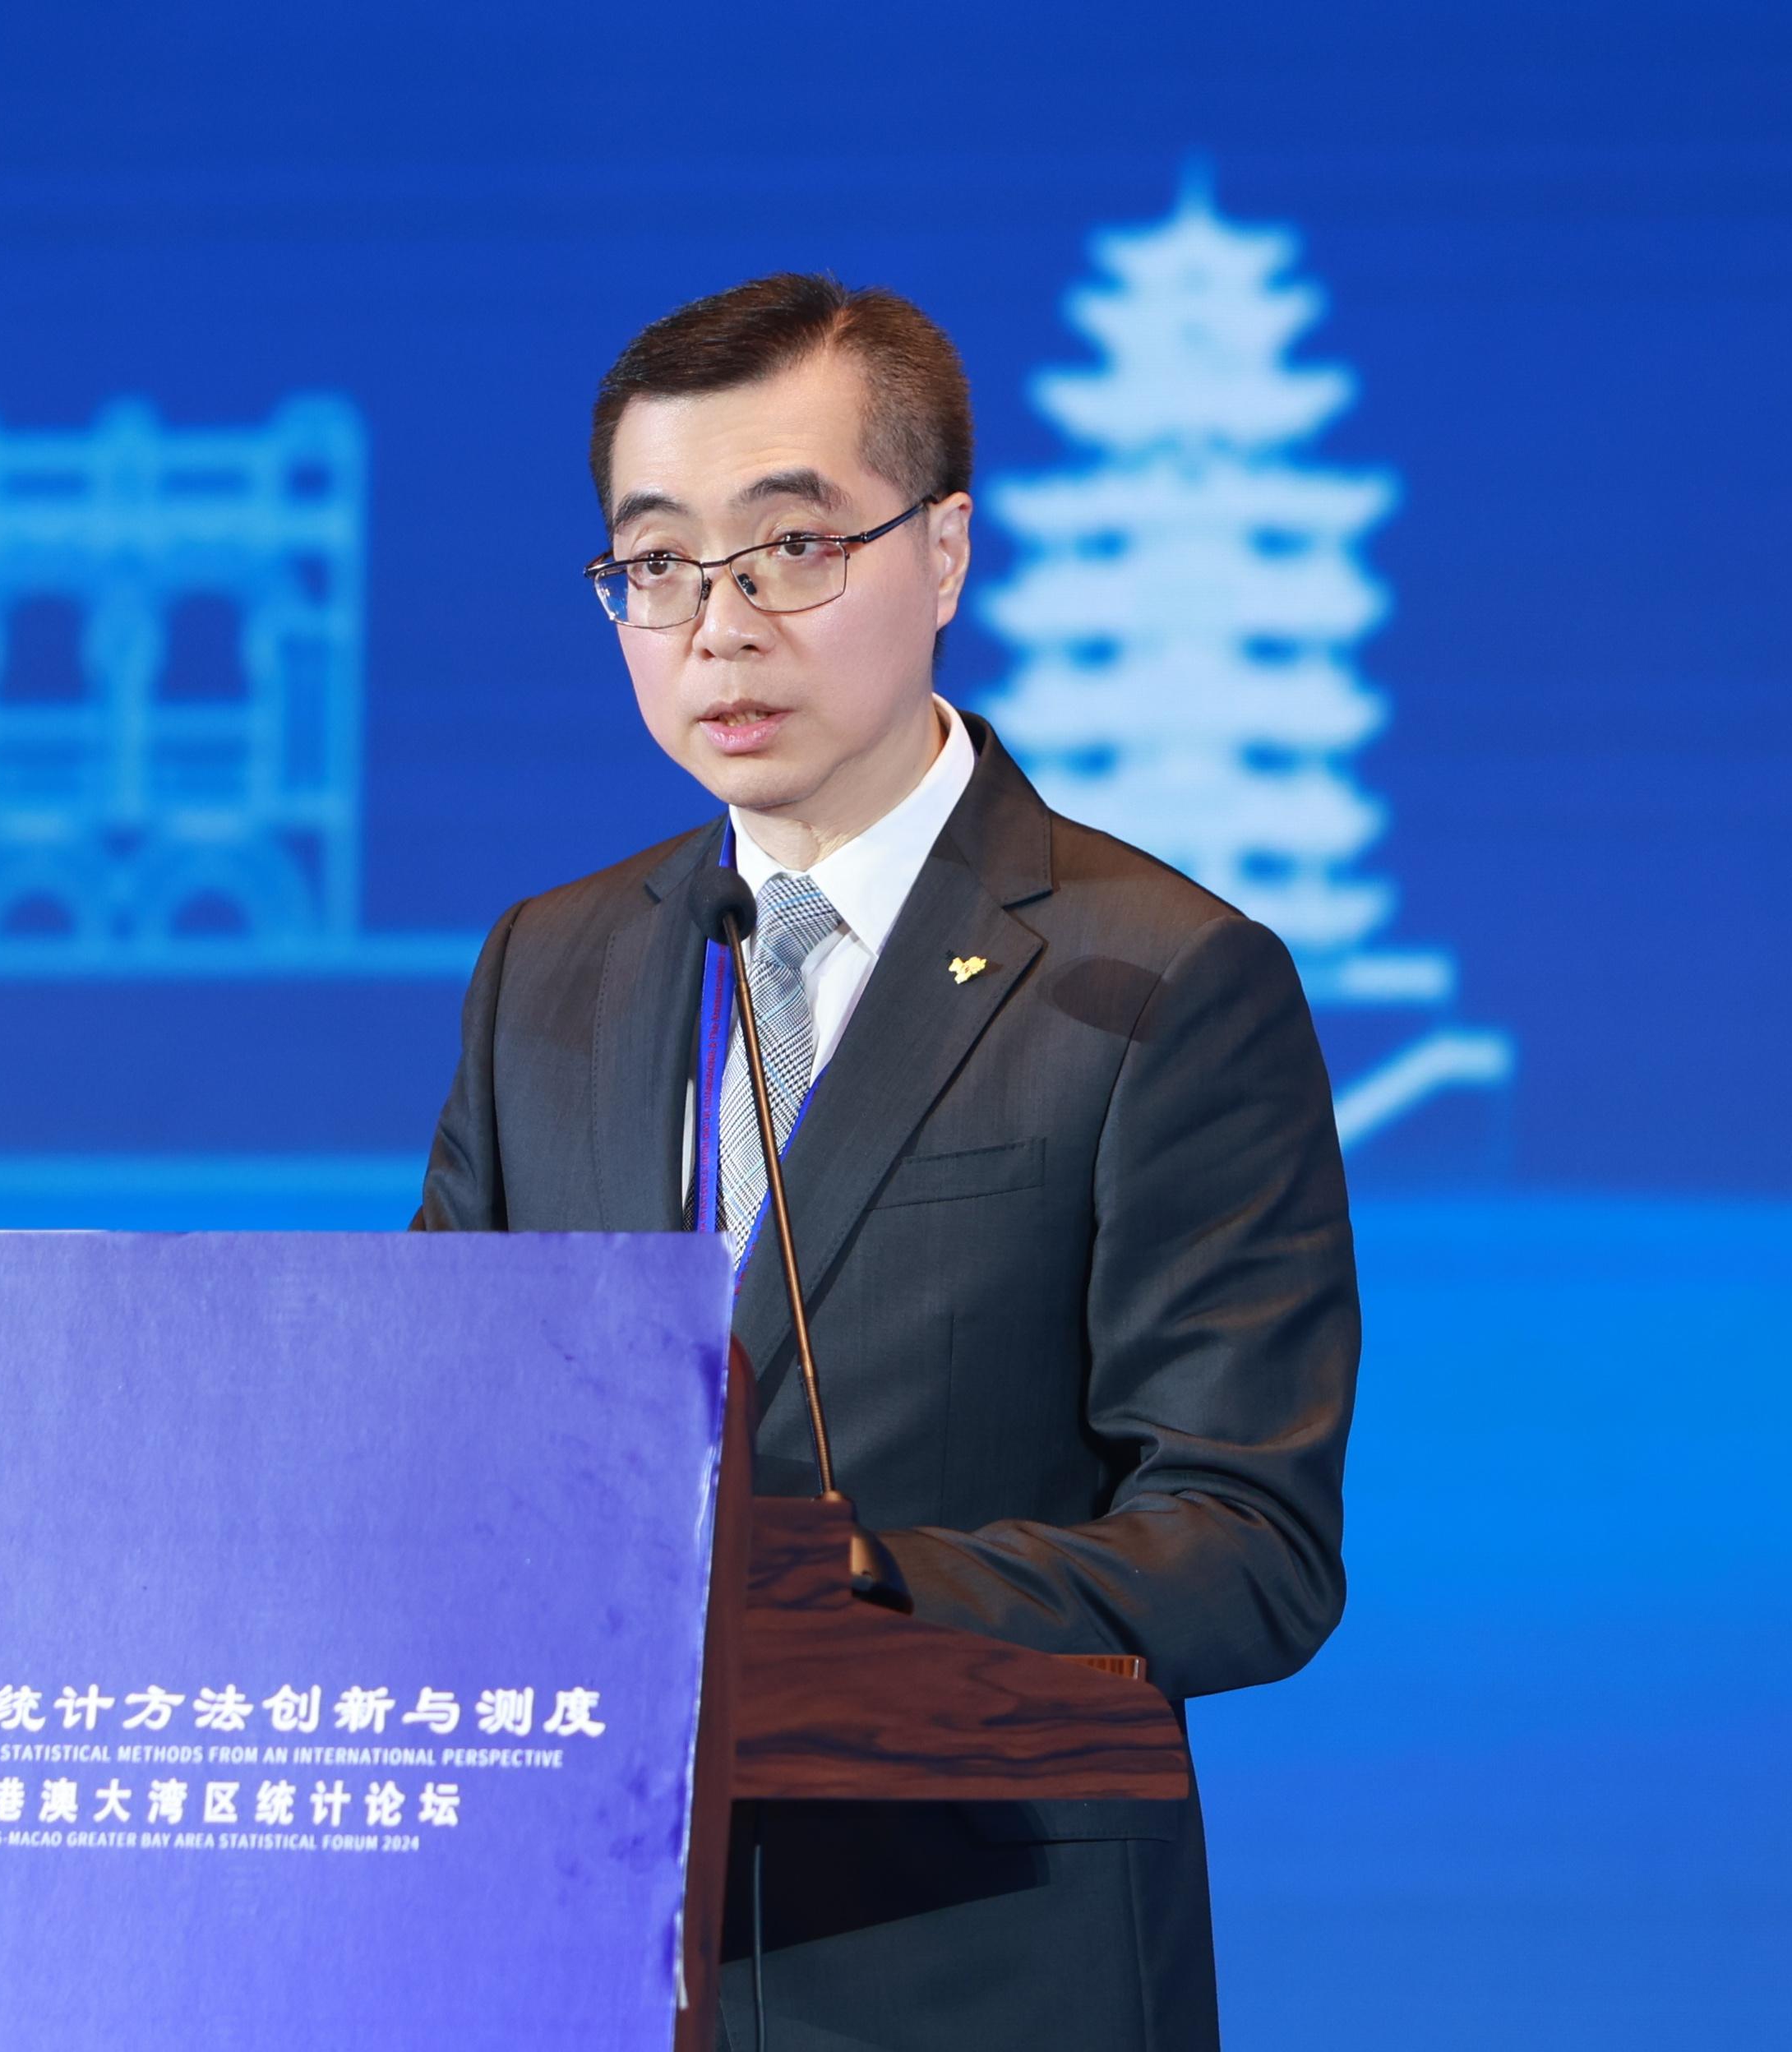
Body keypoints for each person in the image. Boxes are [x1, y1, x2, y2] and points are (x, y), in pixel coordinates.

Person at [412, 274, 1356, 2051]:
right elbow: (446, 1431)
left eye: (788, 551)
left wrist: (853, 1588)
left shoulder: (1156, 980)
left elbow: (1247, 1545)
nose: (718, 629)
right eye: (657, 565)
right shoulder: (550, 967)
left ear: (944, 552)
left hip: (980, 1969)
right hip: (581, 1965)